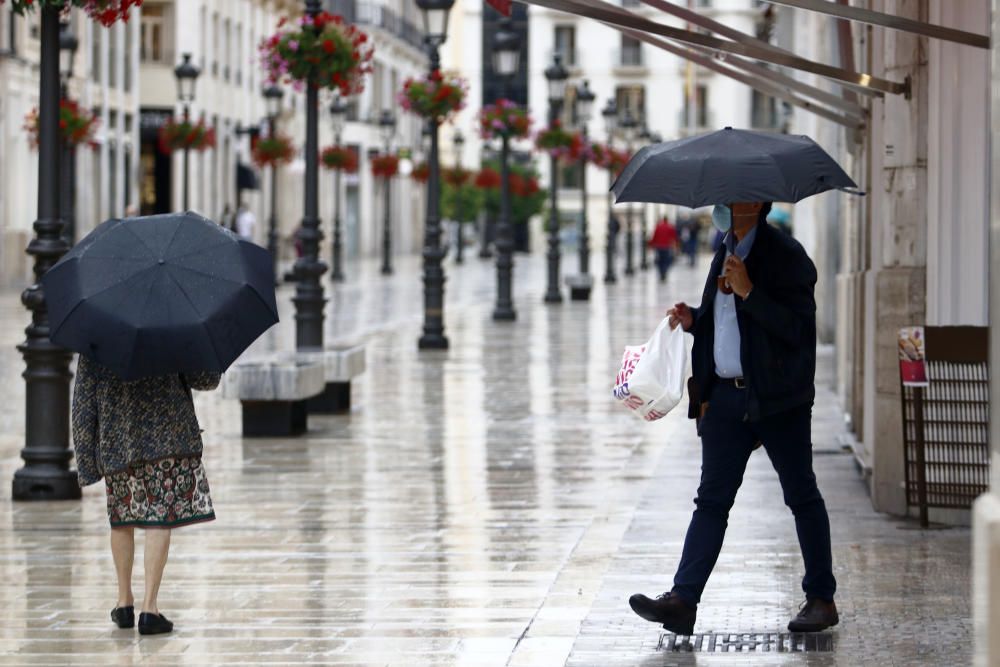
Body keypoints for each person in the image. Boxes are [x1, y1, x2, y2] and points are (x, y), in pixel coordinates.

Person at [629, 201, 838, 635]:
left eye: (731, 194)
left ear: (755, 202)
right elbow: (726, 325)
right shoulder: (724, 249)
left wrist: (750, 292)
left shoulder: (788, 256)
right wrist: (694, 321)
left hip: (778, 398)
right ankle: (683, 601)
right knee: (711, 501)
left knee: (801, 495)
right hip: (726, 399)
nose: (721, 203)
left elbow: (796, 329)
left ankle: (821, 598)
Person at [72, 357, 221, 636]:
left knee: (121, 517)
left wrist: (86, 460)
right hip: (166, 437)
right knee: (159, 518)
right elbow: (206, 379)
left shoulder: (99, 330)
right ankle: (149, 609)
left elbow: (83, 398)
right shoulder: (172, 323)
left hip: (117, 439)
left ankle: (124, 601)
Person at [648, 217, 678, 282]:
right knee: (666, 260)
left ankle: (661, 272)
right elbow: (674, 237)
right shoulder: (670, 227)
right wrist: (675, 245)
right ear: (667, 220)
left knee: (660, 260)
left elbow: (654, 236)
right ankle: (664, 271)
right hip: (667, 246)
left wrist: (651, 245)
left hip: (659, 246)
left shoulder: (658, 227)